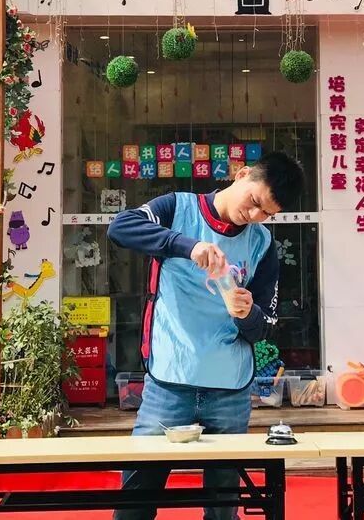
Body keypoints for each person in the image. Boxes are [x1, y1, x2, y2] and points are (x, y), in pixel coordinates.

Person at [108, 151, 305, 520]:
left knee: (223, 506)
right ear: (242, 174)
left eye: (267, 214)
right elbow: (120, 227)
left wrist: (247, 314)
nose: (254, 216)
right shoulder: (176, 208)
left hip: (229, 389)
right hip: (169, 381)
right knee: (136, 500)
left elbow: (264, 326)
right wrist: (189, 246)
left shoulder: (262, 245)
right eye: (254, 202)